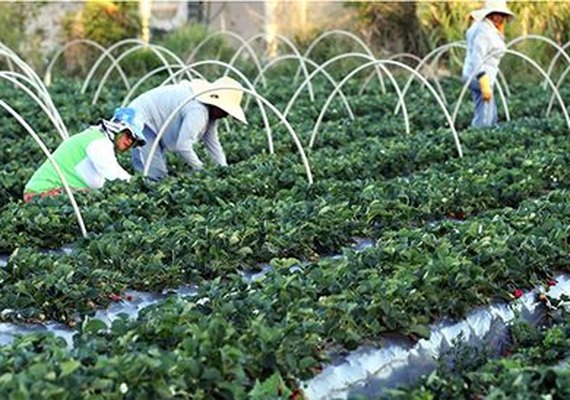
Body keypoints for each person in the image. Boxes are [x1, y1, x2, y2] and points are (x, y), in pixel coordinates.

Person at [127, 76, 247, 181]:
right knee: (153, 175)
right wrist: (201, 170)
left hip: (154, 122)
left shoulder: (210, 114)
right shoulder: (198, 111)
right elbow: (183, 146)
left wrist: (224, 169)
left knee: (156, 173)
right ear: (217, 106)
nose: (226, 115)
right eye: (226, 111)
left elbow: (213, 144)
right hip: (141, 120)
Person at [23, 108, 146, 202]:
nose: (130, 141)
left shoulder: (98, 137)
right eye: (128, 135)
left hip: (47, 191)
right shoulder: (99, 142)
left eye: (134, 140)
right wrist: (141, 187)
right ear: (118, 128)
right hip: (43, 193)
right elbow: (113, 174)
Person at [462, 0, 515, 128]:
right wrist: (483, 80)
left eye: (502, 15)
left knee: (489, 110)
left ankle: (488, 134)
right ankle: (479, 138)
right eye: (496, 14)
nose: (500, 18)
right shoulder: (484, 31)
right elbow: (477, 56)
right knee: (485, 115)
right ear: (489, 14)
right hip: (479, 76)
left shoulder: (487, 28)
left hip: (476, 74)